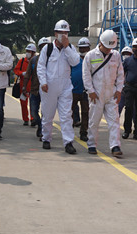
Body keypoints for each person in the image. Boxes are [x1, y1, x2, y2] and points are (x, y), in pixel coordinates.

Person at [37, 20, 80, 154]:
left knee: (66, 116)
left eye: (65, 32)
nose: (63, 35)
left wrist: (67, 47)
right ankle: (46, 138)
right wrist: (43, 82)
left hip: (65, 87)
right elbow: (41, 66)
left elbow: (75, 62)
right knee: (47, 115)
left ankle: (68, 142)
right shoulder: (47, 49)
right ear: (55, 34)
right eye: (60, 32)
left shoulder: (71, 48)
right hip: (49, 87)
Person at [82, 29, 124, 157]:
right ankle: (91, 144)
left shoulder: (116, 55)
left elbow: (120, 74)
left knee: (114, 121)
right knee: (94, 121)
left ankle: (115, 146)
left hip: (111, 94)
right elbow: (86, 75)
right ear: (100, 43)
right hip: (96, 94)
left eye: (111, 47)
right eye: (106, 47)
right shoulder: (90, 56)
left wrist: (119, 90)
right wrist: (90, 91)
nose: (108, 50)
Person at [24, 38, 48, 138]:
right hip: (34, 90)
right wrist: (24, 87)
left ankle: (42, 129)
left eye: (46, 46)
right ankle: (40, 124)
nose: (44, 48)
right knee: (33, 111)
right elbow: (27, 74)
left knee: (45, 112)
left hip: (47, 91)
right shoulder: (33, 60)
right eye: (42, 46)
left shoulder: (52, 60)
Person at [70, 37, 90, 142]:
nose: (83, 50)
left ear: (89, 48)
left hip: (86, 91)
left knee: (85, 113)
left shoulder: (92, 58)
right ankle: (69, 131)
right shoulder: (74, 59)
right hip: (73, 90)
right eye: (81, 48)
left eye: (85, 47)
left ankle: (83, 133)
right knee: (70, 112)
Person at [13, 43, 37, 126]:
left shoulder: (36, 61)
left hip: (33, 85)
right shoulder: (22, 61)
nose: (27, 53)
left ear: (33, 52)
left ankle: (33, 119)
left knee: (33, 103)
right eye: (27, 51)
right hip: (23, 85)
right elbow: (16, 70)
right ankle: (25, 119)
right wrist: (22, 73)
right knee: (23, 103)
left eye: (29, 51)